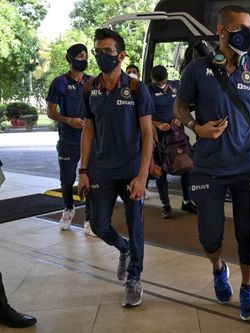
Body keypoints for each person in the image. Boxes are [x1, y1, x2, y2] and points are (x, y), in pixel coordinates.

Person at [174, 5, 250, 320]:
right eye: (240, 28)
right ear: (222, 31)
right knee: (210, 235)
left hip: (247, 166)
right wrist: (197, 127)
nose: (247, 34)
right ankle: (219, 268)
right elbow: (179, 107)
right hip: (208, 167)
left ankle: (247, 287)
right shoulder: (198, 69)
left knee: (246, 233)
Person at [78, 28, 154, 307]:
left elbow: (148, 134)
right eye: (97, 51)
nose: (100, 56)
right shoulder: (90, 88)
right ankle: (123, 249)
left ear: (121, 55)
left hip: (132, 172)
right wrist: (83, 170)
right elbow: (89, 129)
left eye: (107, 51)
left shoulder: (136, 88)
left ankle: (134, 278)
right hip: (100, 170)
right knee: (98, 226)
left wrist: (143, 176)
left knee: (136, 227)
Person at [46, 43, 95, 236]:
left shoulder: (92, 82)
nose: (84, 59)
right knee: (67, 181)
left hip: (90, 139)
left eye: (86, 56)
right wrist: (68, 120)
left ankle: (90, 219)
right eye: (80, 56)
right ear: (71, 59)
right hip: (68, 140)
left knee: (91, 179)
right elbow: (51, 112)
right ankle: (68, 208)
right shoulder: (60, 82)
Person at [147, 65, 196, 218]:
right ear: (153, 80)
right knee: (161, 172)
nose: (161, 85)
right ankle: (165, 205)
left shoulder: (177, 86)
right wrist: (158, 124)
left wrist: (180, 118)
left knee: (186, 166)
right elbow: (143, 117)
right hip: (160, 138)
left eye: (163, 82)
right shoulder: (147, 91)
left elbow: (185, 106)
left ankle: (187, 200)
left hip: (178, 136)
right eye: (158, 83)